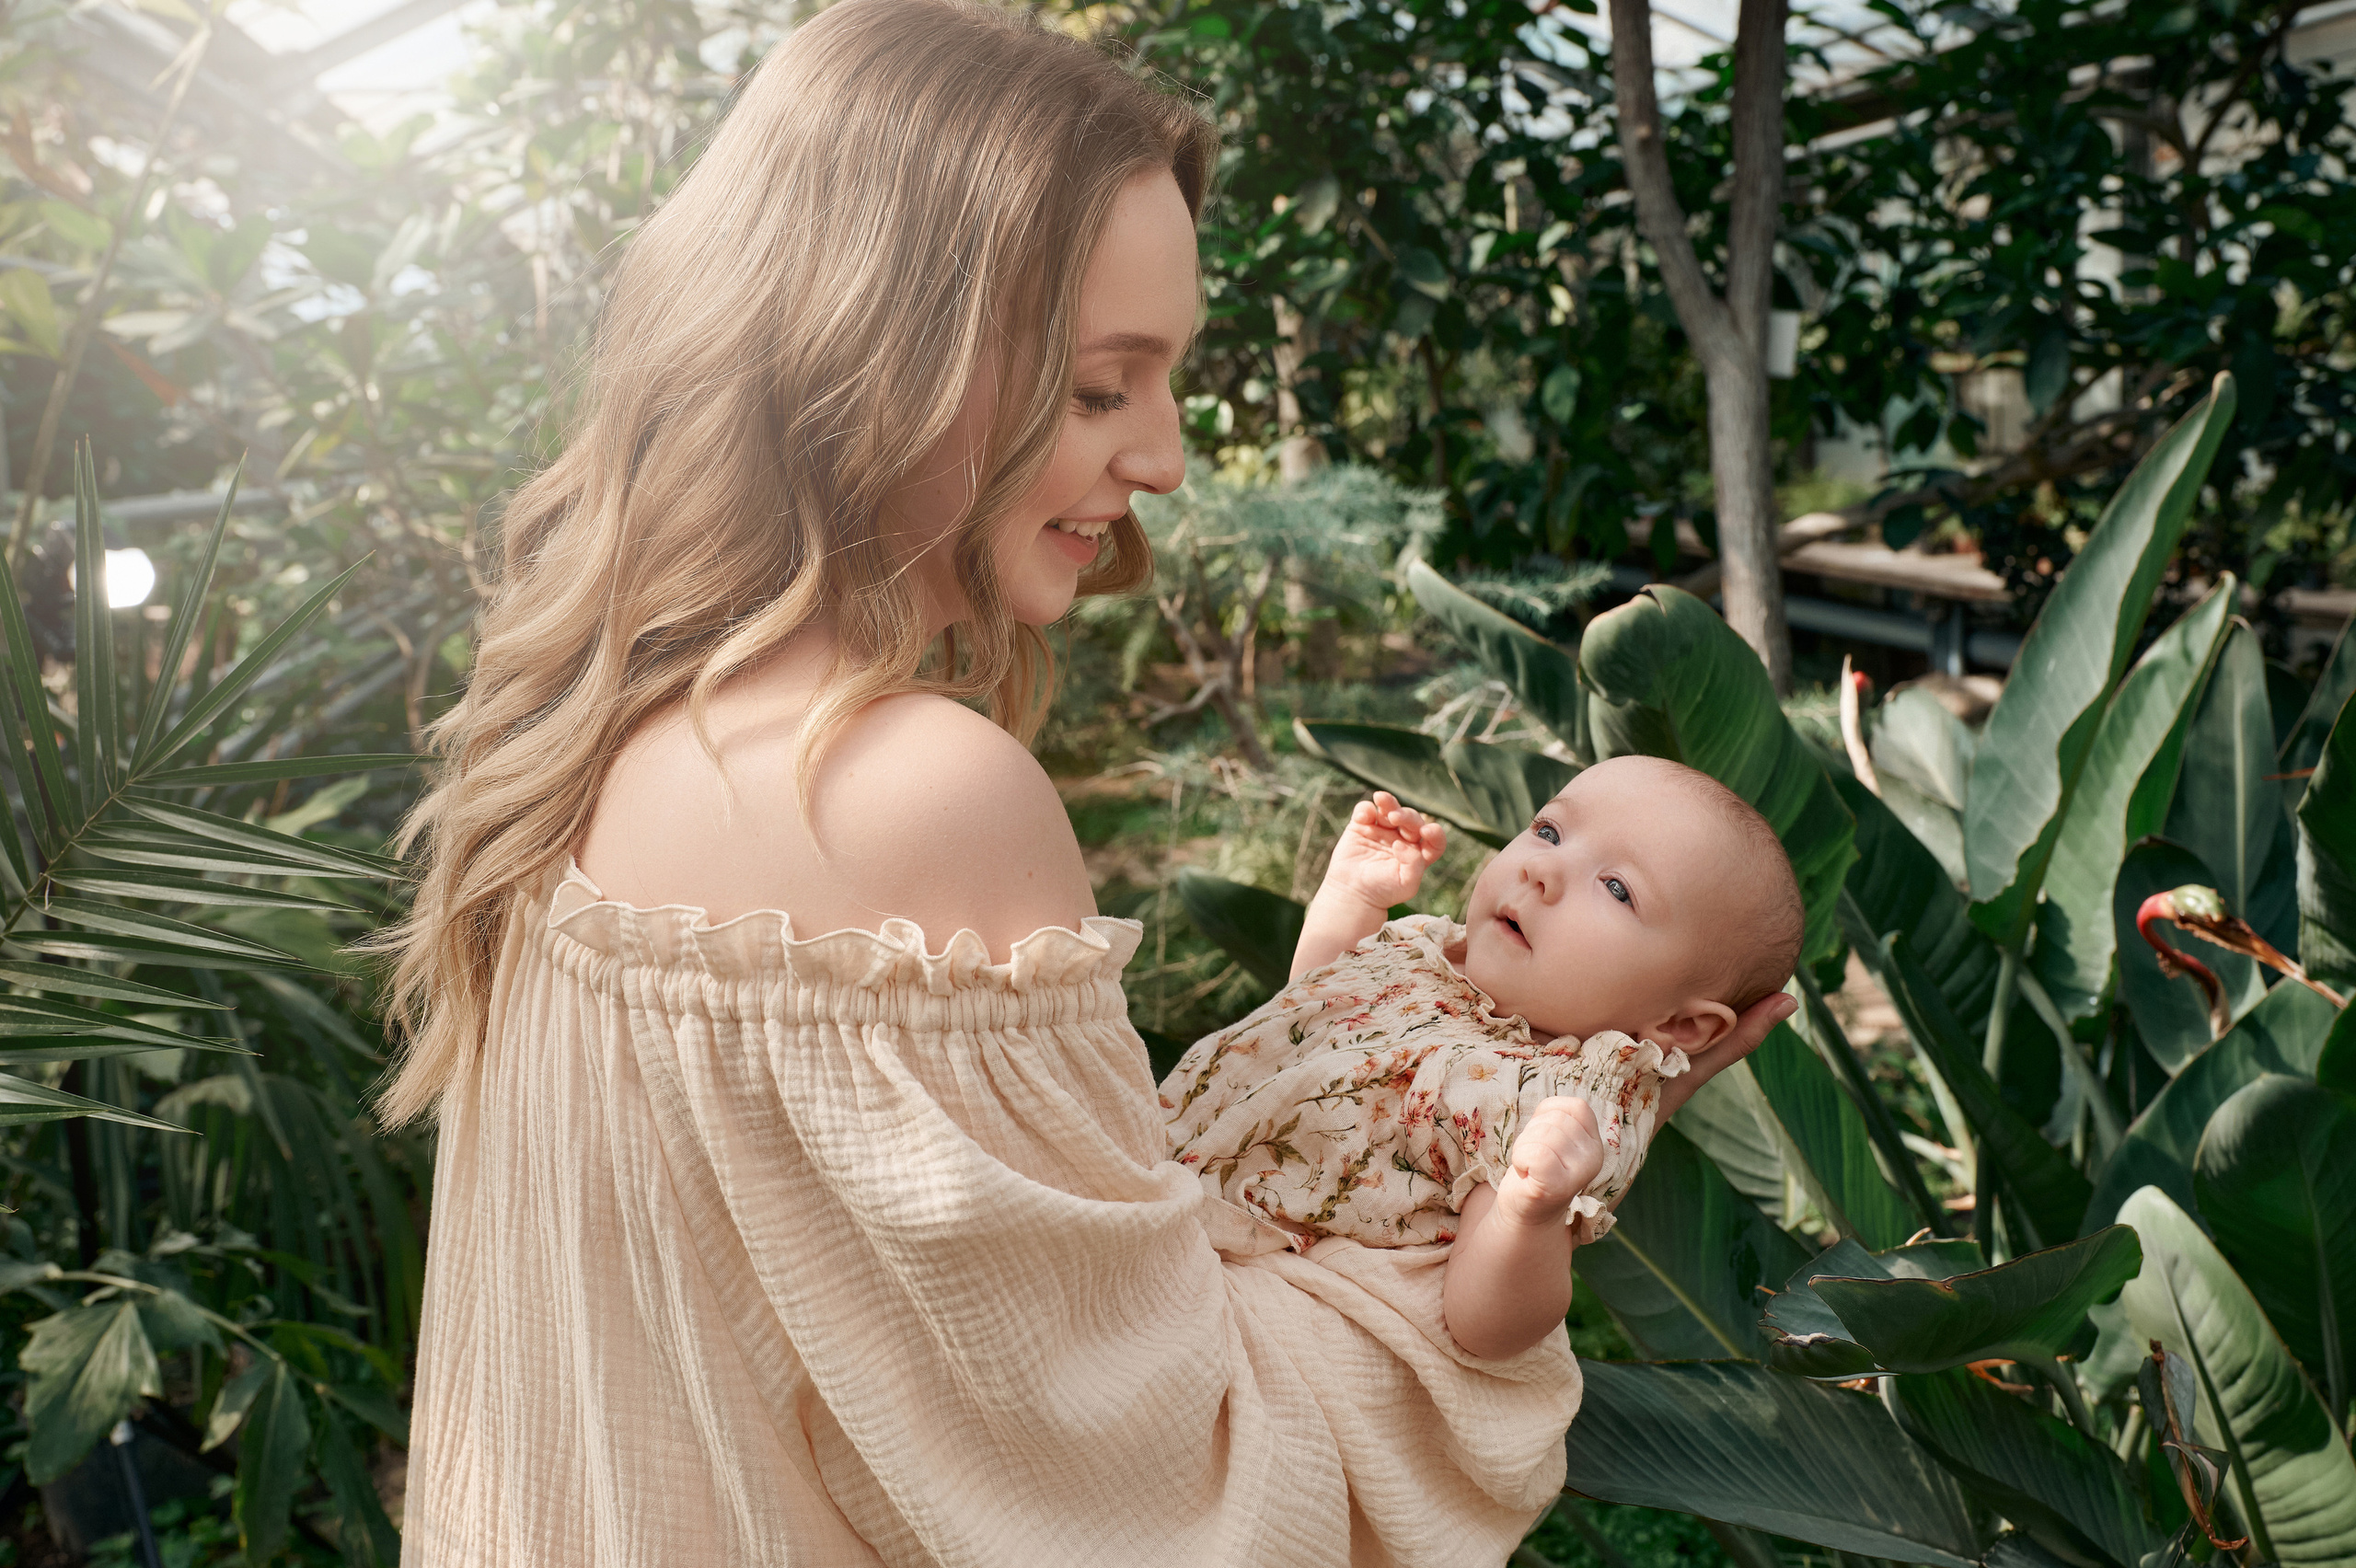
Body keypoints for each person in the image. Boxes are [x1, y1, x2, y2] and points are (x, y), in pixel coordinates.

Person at [376, 2, 1796, 1562]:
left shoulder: (592, 731)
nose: (1166, 459)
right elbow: (1171, 1494)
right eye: (1101, 387)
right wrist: (1489, 1236)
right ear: (871, 357)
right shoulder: (916, 790)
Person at [1162, 760, 1805, 1361]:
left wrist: (1529, 1217)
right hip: (1160, 1166)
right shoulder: (1428, 951)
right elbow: (1308, 1017)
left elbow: (1486, 1329)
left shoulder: (1547, 1103)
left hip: (1225, 1274)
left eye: (1616, 889)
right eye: (1550, 831)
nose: (1543, 870)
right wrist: (1351, 897)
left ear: (1681, 1025)